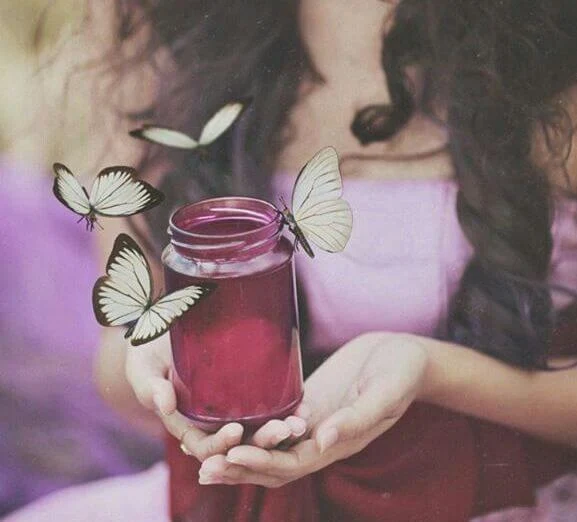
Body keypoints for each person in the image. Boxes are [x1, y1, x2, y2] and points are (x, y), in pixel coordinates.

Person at [5, 0, 577, 520]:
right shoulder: (156, 26)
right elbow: (118, 357)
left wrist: (431, 371)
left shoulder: (547, 46)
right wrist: (161, 356)